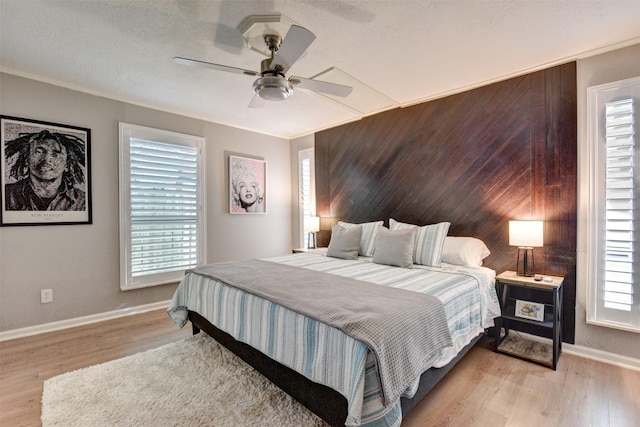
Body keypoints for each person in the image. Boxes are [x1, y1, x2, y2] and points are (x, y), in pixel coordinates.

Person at [4, 129, 86, 211]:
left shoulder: (83, 201)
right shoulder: (6, 194)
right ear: (26, 160)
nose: (46, 159)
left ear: (67, 164)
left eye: (55, 154)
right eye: (39, 152)